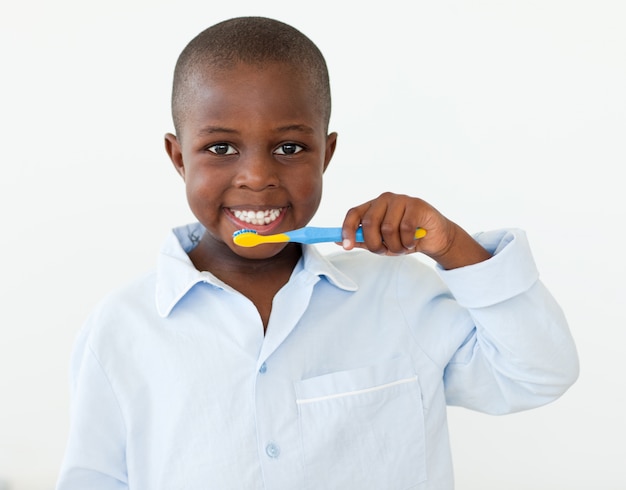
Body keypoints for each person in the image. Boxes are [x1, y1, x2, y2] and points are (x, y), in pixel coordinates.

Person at [56, 16, 579, 490]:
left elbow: (539, 373)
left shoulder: (396, 292)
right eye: (221, 148)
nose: (257, 176)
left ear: (326, 153)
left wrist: (450, 246)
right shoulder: (120, 330)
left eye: (289, 148)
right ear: (177, 156)